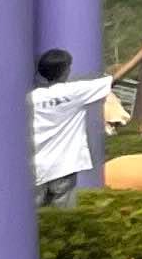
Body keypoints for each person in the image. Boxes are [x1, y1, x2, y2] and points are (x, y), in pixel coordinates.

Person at [31, 48, 121, 205]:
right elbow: (114, 79)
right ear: (65, 71)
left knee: (37, 214)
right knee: (63, 215)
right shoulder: (74, 92)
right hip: (63, 167)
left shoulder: (32, 97)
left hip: (36, 167)